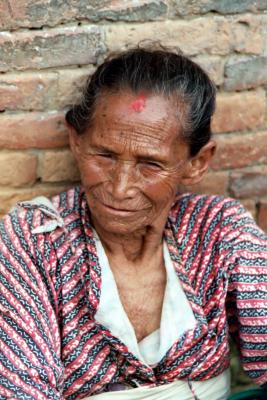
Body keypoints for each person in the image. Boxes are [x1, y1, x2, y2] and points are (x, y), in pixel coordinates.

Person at [0, 46, 266, 400]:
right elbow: (20, 390)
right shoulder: (35, 238)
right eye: (104, 155)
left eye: (150, 165)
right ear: (75, 141)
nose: (120, 187)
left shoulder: (218, 229)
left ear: (198, 162)